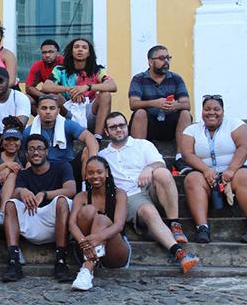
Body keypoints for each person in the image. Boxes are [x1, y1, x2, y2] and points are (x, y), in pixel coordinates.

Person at [99, 112, 200, 273]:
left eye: (122, 125)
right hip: (130, 196)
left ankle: (175, 224)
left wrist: (149, 168)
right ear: (106, 131)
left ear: (127, 127)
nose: (118, 129)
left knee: (162, 173)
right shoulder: (102, 156)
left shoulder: (143, 145)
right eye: (113, 127)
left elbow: (159, 163)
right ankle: (180, 254)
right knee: (147, 210)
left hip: (151, 187)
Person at [2, 134, 75, 282]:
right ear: (26, 153)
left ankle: (61, 261)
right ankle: (13, 261)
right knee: (10, 204)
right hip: (33, 218)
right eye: (32, 149)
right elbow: (15, 193)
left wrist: (45, 194)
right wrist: (22, 191)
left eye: (40, 149)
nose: (36, 152)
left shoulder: (61, 166)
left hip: (55, 221)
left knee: (62, 201)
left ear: (47, 152)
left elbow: (71, 189)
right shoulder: (23, 174)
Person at [181, 95, 247, 243]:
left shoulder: (234, 124)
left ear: (223, 111)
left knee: (244, 177)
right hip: (206, 175)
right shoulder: (191, 130)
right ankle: (202, 228)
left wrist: (231, 170)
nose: (212, 113)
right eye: (207, 109)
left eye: (216, 109)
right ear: (202, 111)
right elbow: (187, 153)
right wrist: (205, 170)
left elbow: (244, 146)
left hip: (233, 172)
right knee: (192, 179)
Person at [68, 156, 130, 291]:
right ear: (86, 175)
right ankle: (89, 265)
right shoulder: (81, 197)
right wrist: (83, 241)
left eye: (99, 172)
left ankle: (86, 270)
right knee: (88, 210)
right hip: (85, 250)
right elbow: (72, 223)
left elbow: (119, 225)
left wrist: (98, 238)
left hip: (114, 252)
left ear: (107, 173)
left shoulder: (119, 194)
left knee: (102, 219)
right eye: (90, 173)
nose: (95, 176)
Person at [129, 45, 192, 171]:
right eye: (162, 58)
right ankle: (138, 157)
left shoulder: (176, 78)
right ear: (151, 62)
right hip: (149, 125)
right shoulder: (139, 79)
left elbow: (187, 104)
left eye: (168, 58)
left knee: (185, 113)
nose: (166, 62)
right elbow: (133, 104)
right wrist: (154, 103)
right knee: (140, 112)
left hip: (170, 125)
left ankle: (180, 158)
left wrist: (176, 105)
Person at [42, 38, 116, 140]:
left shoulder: (97, 70)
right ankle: (53, 132)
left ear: (89, 53)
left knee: (105, 94)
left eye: (84, 47)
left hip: (89, 112)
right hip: (68, 110)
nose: (80, 50)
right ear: (71, 52)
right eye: (76, 47)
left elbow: (112, 86)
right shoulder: (60, 69)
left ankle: (98, 137)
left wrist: (87, 87)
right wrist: (72, 89)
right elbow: (46, 86)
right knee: (52, 96)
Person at [22, 94, 99, 190]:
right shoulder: (28, 132)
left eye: (52, 108)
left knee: (87, 151)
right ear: (37, 111)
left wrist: (93, 160)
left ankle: (86, 189)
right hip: (44, 168)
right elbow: (27, 157)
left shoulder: (67, 124)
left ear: (58, 111)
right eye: (44, 108)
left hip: (69, 167)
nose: (48, 112)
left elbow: (89, 137)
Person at [0, 128, 26, 225]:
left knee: (12, 175)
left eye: (15, 139)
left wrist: (9, 169)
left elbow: (28, 172)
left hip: (16, 192)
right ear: (2, 141)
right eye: (8, 139)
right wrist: (6, 165)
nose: (11, 143)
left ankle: (2, 212)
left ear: (20, 142)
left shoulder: (24, 157)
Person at [25, 40, 63, 114]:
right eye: (44, 52)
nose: (47, 55)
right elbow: (29, 87)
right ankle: (42, 121)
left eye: (51, 52)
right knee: (25, 98)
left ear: (58, 53)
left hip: (66, 97)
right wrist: (44, 96)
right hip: (47, 95)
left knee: (54, 95)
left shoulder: (65, 63)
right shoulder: (38, 65)